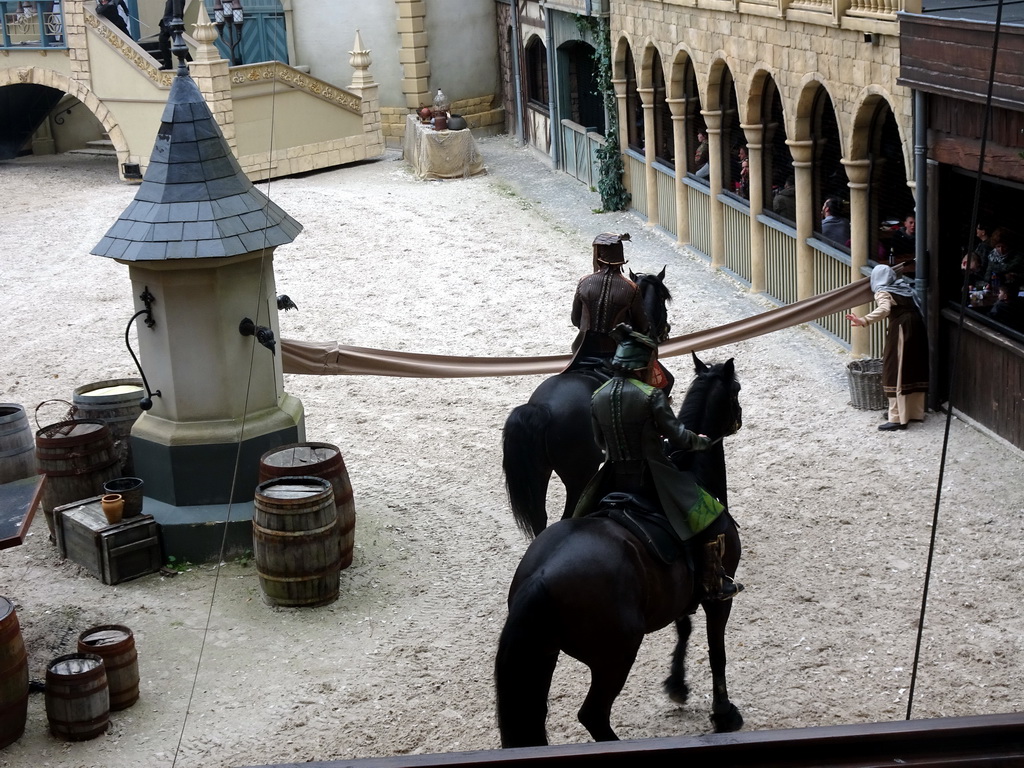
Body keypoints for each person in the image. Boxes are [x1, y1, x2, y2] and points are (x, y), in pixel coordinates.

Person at [574, 324, 742, 601]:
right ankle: (714, 580)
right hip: (652, 475)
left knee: (577, 517)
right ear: (642, 365)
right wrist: (703, 441)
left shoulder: (598, 395)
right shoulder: (650, 395)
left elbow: (601, 443)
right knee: (711, 517)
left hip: (612, 475)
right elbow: (679, 437)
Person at [846, 265, 929, 431]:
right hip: (917, 328)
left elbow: (884, 309)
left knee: (895, 370)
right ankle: (913, 412)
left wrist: (864, 320)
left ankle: (898, 418)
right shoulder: (904, 287)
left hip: (902, 331)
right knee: (912, 367)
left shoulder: (883, 291)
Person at [571, 233, 650, 358]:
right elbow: (642, 326)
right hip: (616, 353)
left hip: (582, 349)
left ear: (598, 256)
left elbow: (575, 320)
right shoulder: (631, 288)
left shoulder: (584, 282)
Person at [889, 213, 916, 277]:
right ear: (905, 224)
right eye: (911, 223)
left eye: (915, 223)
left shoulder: (920, 237)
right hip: (900, 266)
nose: (913, 225)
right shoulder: (897, 236)